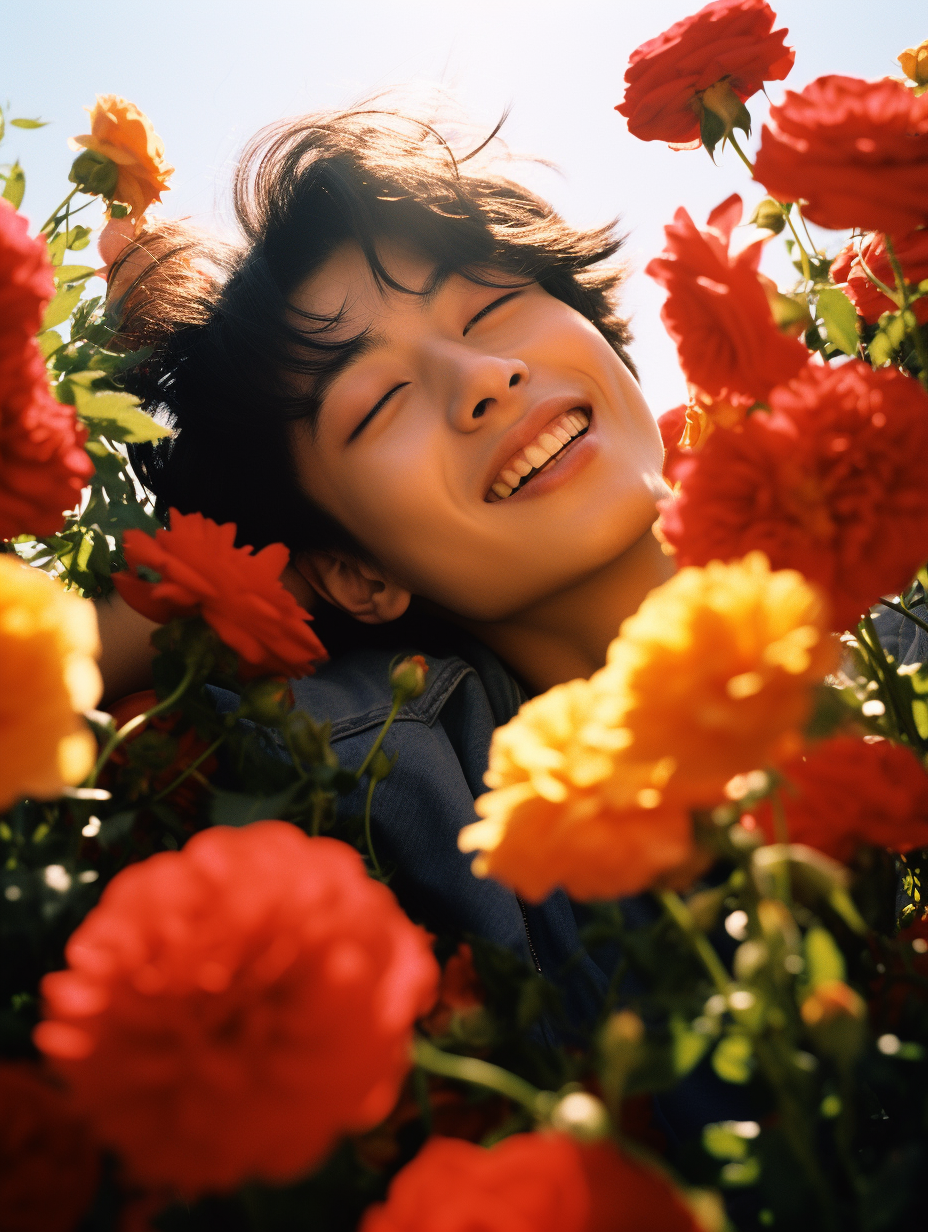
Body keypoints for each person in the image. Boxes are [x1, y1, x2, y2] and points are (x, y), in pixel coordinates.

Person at [97, 103, 734, 1140]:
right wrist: (203, 585)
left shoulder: (896, 603)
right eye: (379, 402)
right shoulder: (405, 773)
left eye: (488, 309)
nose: (482, 381)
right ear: (353, 569)